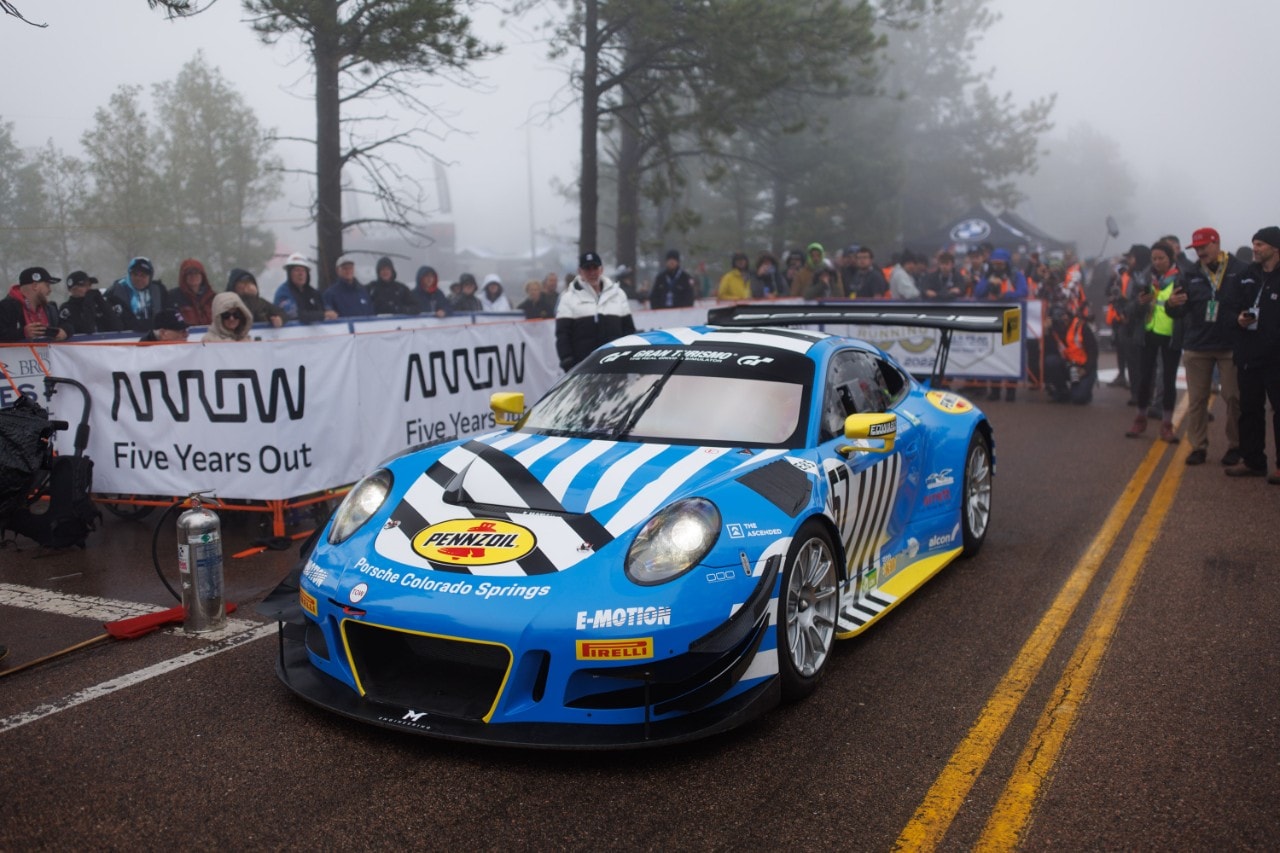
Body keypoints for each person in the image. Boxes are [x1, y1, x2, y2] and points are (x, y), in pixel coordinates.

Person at [1165, 228, 1246, 466]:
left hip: (1230, 343)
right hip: (1198, 344)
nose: (1200, 252)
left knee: (1233, 397)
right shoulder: (1189, 273)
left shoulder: (1239, 269)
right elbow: (1178, 311)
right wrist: (1171, 305)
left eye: (1203, 247)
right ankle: (1198, 447)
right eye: (1196, 248)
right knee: (1197, 400)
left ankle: (1236, 446)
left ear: (1216, 243)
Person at [1224, 226, 1280, 481]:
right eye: (1254, 243)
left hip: (1276, 358)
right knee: (1249, 410)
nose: (1255, 249)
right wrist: (1237, 318)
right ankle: (1253, 461)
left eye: (1260, 244)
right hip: (1249, 355)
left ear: (1275, 248)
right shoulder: (1245, 276)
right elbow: (1227, 308)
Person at [1126, 241, 1185, 441]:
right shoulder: (1143, 279)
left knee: (1168, 380)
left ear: (1171, 258)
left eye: (1161, 258)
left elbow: (1186, 309)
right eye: (1154, 259)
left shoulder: (1181, 278)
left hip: (1170, 335)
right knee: (1144, 379)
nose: (1157, 262)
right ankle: (1140, 420)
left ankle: (1167, 425)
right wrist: (1139, 303)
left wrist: (1174, 306)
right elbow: (1129, 309)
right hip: (1148, 334)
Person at [555, 251, 636, 371]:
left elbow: (628, 329)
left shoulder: (618, 294)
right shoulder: (568, 297)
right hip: (583, 366)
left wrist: (629, 359)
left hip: (616, 365)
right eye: (587, 269)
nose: (592, 272)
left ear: (601, 269)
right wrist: (567, 361)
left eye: (595, 268)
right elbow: (563, 334)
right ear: (580, 271)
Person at [1044, 304, 1098, 404]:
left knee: (1079, 398)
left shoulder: (1081, 327)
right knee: (1050, 361)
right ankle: (1062, 392)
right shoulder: (1054, 331)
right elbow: (1049, 352)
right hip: (1068, 366)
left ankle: (1084, 392)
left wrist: (1086, 369)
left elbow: (1093, 351)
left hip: (1084, 367)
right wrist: (1047, 333)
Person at [1, 267, 70, 342]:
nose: (50, 290)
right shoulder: (6, 307)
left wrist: (65, 331)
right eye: (47, 285)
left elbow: (68, 324)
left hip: (46, 349)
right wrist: (23, 333)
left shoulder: (50, 308)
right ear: (35, 286)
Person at [106, 257, 168, 332]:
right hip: (126, 336)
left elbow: (167, 316)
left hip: (156, 334)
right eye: (135, 274)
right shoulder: (116, 291)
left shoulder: (159, 290)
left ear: (150, 277)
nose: (138, 278)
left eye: (143, 275)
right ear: (129, 275)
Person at [58, 271, 124, 335]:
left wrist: (102, 303)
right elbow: (88, 330)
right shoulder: (68, 308)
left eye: (89, 285)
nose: (88, 288)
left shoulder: (98, 304)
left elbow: (118, 327)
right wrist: (88, 304)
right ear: (72, 289)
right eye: (83, 285)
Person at [273, 253, 334, 323]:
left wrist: (329, 313)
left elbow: (327, 310)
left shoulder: (313, 293)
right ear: (289, 273)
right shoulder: (283, 293)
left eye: (303, 270)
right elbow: (294, 314)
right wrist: (322, 315)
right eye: (297, 270)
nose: (301, 274)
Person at [171, 259, 215, 327]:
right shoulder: (173, 296)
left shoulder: (212, 297)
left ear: (203, 276)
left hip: (210, 333)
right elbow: (173, 320)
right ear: (183, 277)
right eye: (189, 273)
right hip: (184, 333)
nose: (193, 276)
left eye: (196, 273)